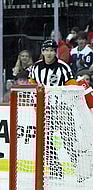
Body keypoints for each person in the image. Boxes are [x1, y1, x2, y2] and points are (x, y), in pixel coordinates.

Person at [29, 40, 79, 179]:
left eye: (52, 50)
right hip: (44, 110)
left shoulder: (64, 67)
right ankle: (55, 169)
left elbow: (72, 87)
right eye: (47, 50)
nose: (49, 53)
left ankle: (79, 168)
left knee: (69, 140)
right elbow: (32, 86)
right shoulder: (35, 68)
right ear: (42, 51)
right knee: (47, 141)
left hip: (62, 109)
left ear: (55, 52)